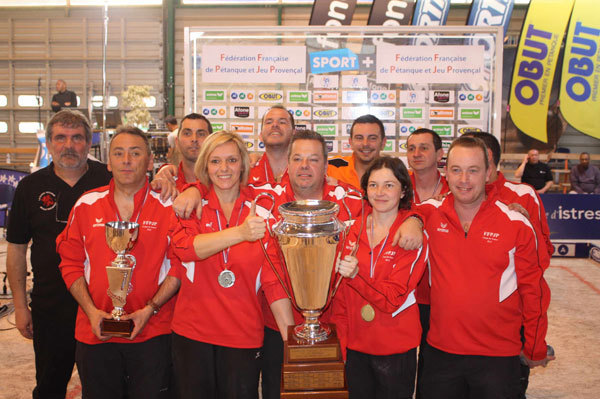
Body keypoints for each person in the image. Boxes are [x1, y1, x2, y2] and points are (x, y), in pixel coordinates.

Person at [255, 130, 424, 399]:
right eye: (297, 158)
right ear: (287, 163)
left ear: (326, 164)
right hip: (282, 329)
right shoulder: (266, 201)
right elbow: (270, 274)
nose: (305, 166)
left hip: (338, 332)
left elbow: (386, 205)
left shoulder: (349, 201)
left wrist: (414, 219)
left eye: (313, 159)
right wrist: (292, 341)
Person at [417, 136, 553, 399]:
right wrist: (412, 220)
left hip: (498, 358)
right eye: (456, 170)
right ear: (445, 172)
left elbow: (533, 291)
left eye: (473, 170)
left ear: (489, 172)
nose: (464, 179)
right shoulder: (428, 214)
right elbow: (394, 210)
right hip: (441, 355)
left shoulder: (515, 223)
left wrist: (535, 346)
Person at [167, 131, 293, 399]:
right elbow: (186, 249)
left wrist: (290, 339)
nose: (223, 169)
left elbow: (273, 281)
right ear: (205, 166)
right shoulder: (190, 205)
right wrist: (240, 234)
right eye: (215, 161)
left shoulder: (263, 207)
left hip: (242, 336)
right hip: (193, 334)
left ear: (243, 165)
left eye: (232, 160)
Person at [57, 126, 179, 398]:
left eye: (135, 153)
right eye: (119, 153)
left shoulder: (170, 205)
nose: (126, 160)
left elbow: (180, 265)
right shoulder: (86, 204)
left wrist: (150, 309)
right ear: (108, 162)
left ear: (149, 162)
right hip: (95, 330)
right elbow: (70, 263)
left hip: (154, 331)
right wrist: (91, 311)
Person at [6, 109, 112, 399]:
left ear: (89, 143)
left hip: (103, 305)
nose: (69, 145)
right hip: (50, 306)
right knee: (50, 386)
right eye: (60, 138)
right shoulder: (30, 187)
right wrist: (20, 305)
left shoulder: (109, 180)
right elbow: (16, 249)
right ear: (49, 143)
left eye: (77, 138)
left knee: (105, 386)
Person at [463, 131, 553, 399]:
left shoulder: (522, 194)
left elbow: (542, 256)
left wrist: (524, 228)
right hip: (463, 327)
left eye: (474, 162)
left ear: (490, 161)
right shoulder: (457, 195)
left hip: (510, 325)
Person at [332, 156, 428, 399]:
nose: (380, 192)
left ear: (403, 189)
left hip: (395, 347)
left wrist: (356, 276)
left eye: (389, 185)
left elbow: (393, 298)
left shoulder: (411, 236)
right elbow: (340, 298)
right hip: (356, 346)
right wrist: (341, 348)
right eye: (373, 185)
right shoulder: (350, 230)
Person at [404, 127, 449, 399]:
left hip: (440, 294)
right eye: (411, 148)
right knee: (403, 362)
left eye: (424, 148)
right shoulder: (395, 187)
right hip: (403, 293)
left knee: (434, 367)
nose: (417, 153)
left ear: (439, 154)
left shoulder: (457, 186)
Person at [155, 113, 213, 193]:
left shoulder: (222, 183)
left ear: (211, 142)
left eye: (201, 134)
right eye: (187, 133)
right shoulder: (165, 183)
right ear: (177, 142)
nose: (194, 139)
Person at [328, 114, 387, 189]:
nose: (365, 144)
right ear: (350, 142)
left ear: (383, 142)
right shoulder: (330, 167)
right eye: (359, 138)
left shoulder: (395, 174)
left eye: (372, 138)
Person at [249, 105, 295, 185]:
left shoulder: (305, 171)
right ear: (261, 136)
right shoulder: (246, 171)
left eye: (282, 122)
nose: (275, 125)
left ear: (293, 134)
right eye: (269, 122)